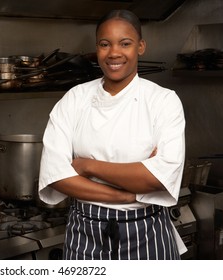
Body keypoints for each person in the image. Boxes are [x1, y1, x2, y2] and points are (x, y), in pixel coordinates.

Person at [38, 9, 186, 260]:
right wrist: (129, 192)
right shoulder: (75, 98)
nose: (114, 53)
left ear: (140, 47)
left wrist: (86, 165)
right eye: (105, 44)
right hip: (85, 233)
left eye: (125, 43)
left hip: (147, 231)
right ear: (97, 49)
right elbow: (56, 176)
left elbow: (159, 178)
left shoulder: (163, 101)